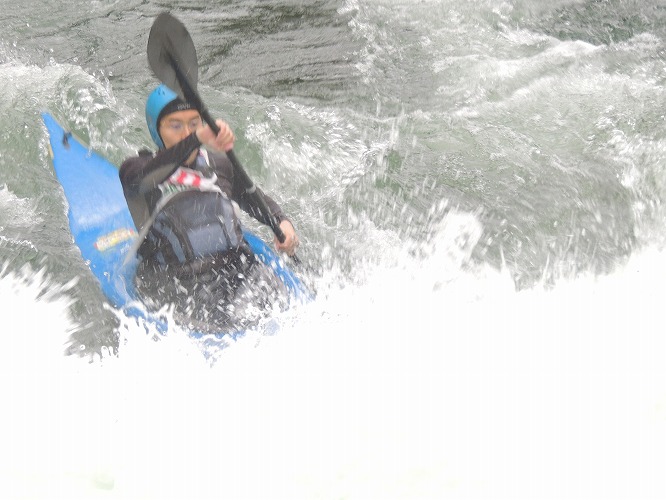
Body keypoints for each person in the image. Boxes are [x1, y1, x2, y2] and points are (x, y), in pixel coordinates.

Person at [120, 84, 299, 332]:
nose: (187, 133)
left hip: (238, 272)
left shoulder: (219, 165)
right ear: (156, 130)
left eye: (194, 124)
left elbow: (254, 198)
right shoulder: (137, 172)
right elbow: (142, 175)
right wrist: (198, 138)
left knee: (283, 311)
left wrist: (281, 222)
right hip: (176, 285)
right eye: (175, 126)